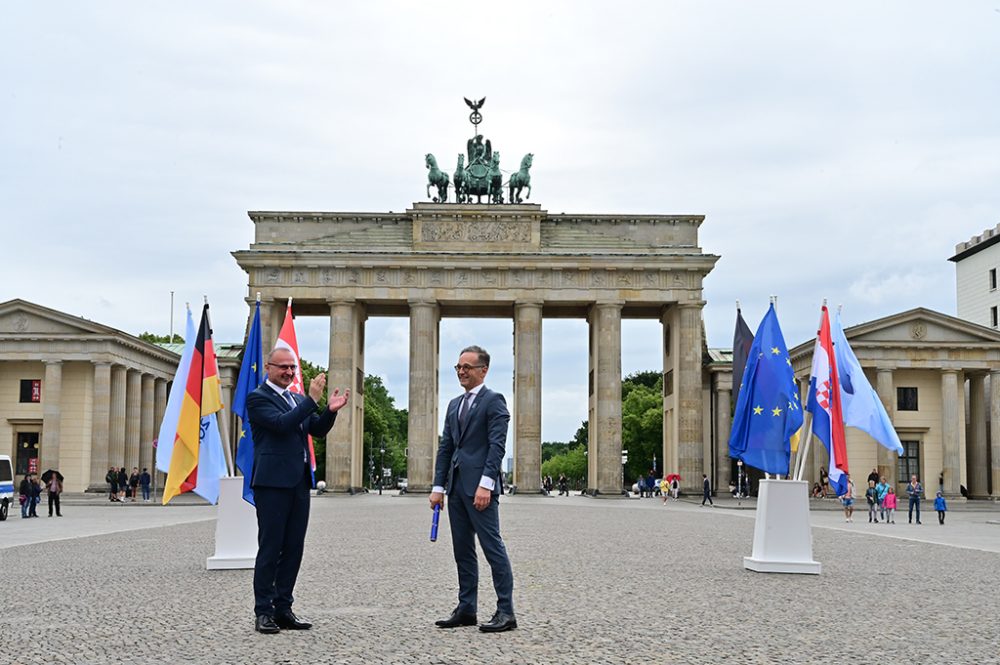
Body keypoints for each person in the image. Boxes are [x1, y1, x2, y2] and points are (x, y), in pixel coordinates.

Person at [246, 348, 350, 634]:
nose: (290, 373)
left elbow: (314, 429)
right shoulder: (258, 398)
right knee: (271, 548)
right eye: (283, 368)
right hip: (271, 484)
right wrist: (312, 400)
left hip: (298, 483)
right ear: (268, 367)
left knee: (293, 548)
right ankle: (263, 611)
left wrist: (329, 410)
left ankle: (283, 608)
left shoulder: (294, 398)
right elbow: (281, 425)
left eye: (293, 368)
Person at [431, 345, 516, 633]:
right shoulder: (454, 404)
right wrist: (438, 486)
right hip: (455, 488)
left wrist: (486, 484)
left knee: (493, 548)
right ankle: (467, 608)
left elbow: (497, 447)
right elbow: (446, 447)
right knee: (462, 551)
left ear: (484, 370)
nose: (461, 372)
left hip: (480, 488)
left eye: (467, 367)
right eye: (458, 367)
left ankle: (506, 611)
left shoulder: (495, 401)